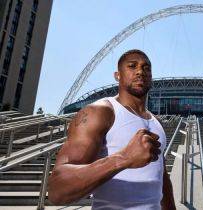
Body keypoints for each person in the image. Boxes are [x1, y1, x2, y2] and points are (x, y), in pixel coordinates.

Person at [48, 49, 176, 210]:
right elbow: (57, 190)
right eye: (132, 66)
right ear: (117, 75)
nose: (140, 72)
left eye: (146, 68)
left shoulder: (156, 122)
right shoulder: (100, 112)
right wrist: (123, 158)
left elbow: (162, 179)